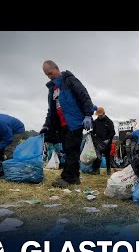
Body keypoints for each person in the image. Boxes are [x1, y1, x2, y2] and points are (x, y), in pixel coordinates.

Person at [39, 60, 96, 188]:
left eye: (50, 73)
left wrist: (88, 115)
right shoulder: (52, 89)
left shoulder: (69, 81)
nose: (49, 76)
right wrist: (46, 125)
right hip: (62, 125)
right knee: (68, 150)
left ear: (57, 68)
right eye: (47, 75)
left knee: (71, 150)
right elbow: (51, 110)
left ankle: (68, 178)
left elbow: (84, 96)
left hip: (74, 122)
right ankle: (73, 177)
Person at [91, 106, 116, 175]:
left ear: (104, 113)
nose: (99, 117)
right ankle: (97, 170)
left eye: (100, 115)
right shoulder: (96, 122)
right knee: (98, 157)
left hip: (107, 143)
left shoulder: (109, 122)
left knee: (108, 157)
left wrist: (108, 139)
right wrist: (91, 134)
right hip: (98, 142)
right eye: (98, 115)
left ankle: (108, 170)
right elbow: (94, 131)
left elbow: (112, 132)